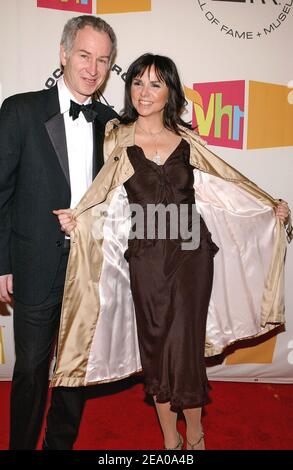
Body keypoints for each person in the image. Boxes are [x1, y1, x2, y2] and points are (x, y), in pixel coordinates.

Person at [53, 54, 291, 450]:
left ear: (170, 92)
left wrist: (269, 206)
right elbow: (102, 193)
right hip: (145, 255)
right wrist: (79, 217)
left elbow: (225, 185)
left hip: (192, 253)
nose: (144, 92)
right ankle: (169, 437)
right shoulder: (116, 136)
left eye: (155, 84)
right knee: (157, 346)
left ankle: (194, 434)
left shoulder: (188, 140)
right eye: (138, 83)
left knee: (185, 344)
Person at [0, 15, 118, 450]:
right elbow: (1, 191)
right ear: (63, 53)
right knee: (31, 368)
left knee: (76, 369)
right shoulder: (20, 110)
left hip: (91, 268)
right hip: (35, 262)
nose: (92, 68)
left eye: (103, 60)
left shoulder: (111, 122)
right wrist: (1, 264)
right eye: (84, 55)